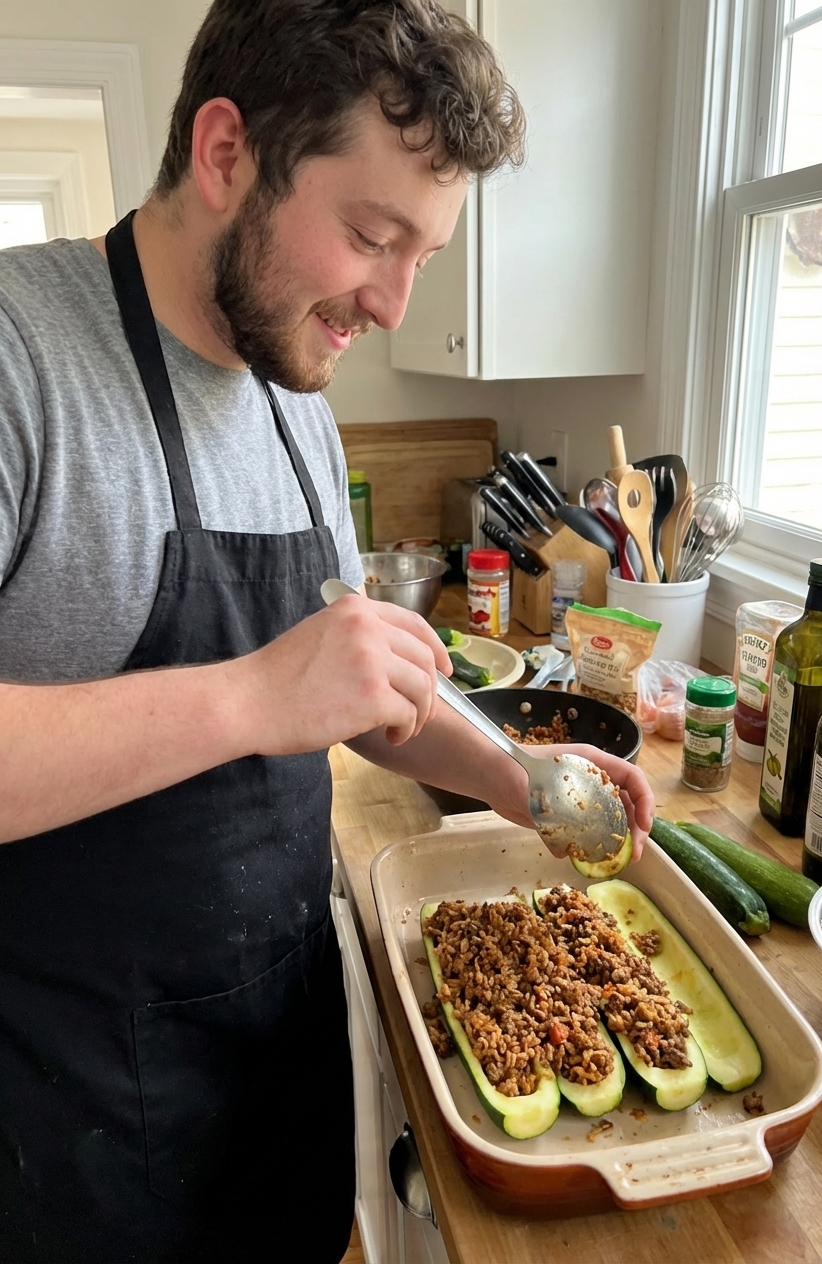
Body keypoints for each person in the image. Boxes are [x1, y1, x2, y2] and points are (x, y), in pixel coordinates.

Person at [0, 0, 655, 1259]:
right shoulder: (24, 357)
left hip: (274, 1073)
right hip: (63, 1122)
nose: (398, 303)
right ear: (226, 150)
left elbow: (355, 694)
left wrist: (521, 779)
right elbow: (284, 692)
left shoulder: (297, 393)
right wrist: (251, 695)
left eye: (428, 255)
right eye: (372, 234)